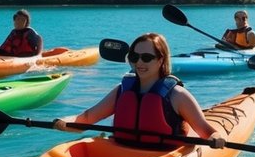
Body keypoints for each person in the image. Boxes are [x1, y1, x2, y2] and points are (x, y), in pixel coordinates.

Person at [53, 32, 226, 149]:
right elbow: (86, 118)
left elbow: (206, 131)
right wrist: (63, 122)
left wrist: (215, 138)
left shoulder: (177, 95)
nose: (139, 63)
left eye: (147, 57)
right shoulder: (121, 91)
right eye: (135, 57)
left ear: (160, 60)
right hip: (121, 153)